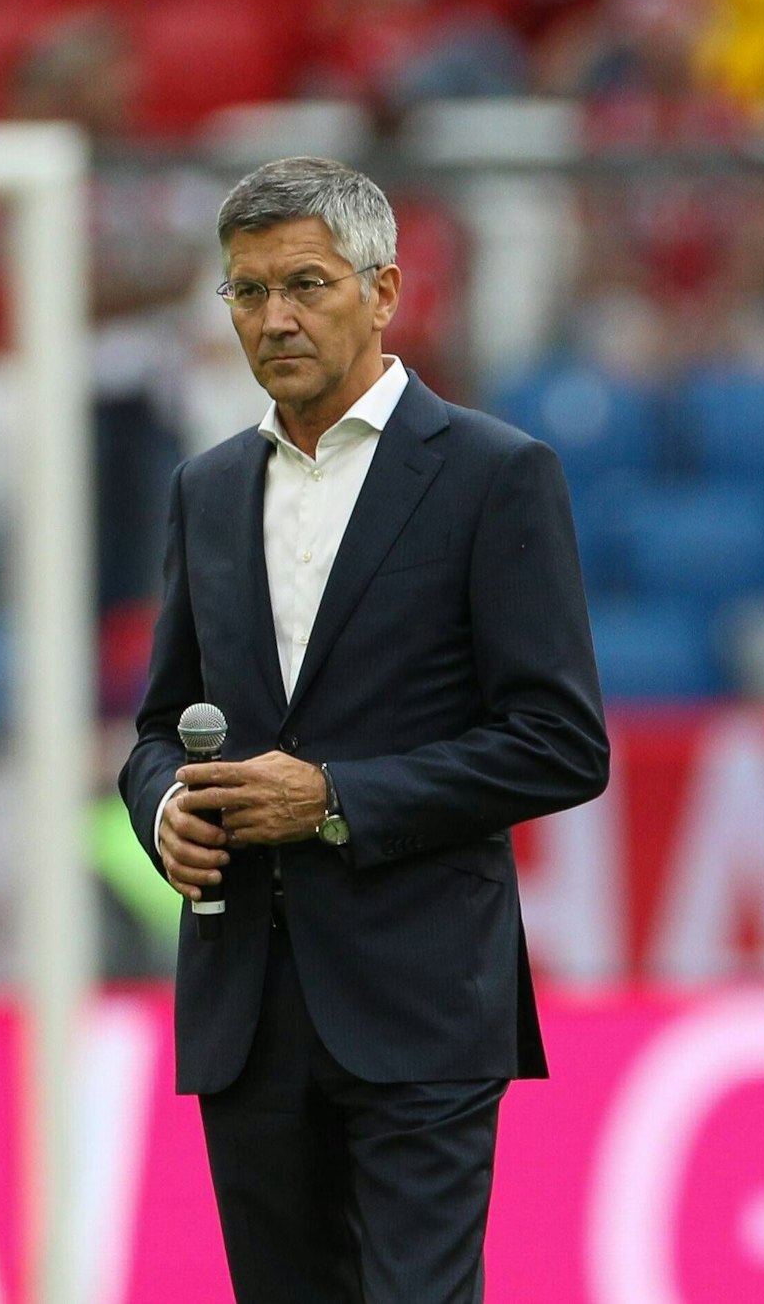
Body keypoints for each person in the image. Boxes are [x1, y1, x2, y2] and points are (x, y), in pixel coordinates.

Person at [118, 157, 609, 1303]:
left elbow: (561, 741)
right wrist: (164, 811)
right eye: (247, 292)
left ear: (382, 291)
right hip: (244, 1001)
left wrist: (334, 799)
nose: (274, 317)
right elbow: (154, 730)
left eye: (306, 284)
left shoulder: (496, 473)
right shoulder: (208, 487)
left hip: (421, 1000)